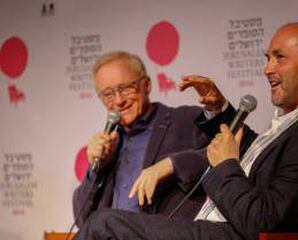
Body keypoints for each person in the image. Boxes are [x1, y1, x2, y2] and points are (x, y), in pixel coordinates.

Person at [74, 22, 298, 240]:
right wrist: (220, 109)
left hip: (228, 231)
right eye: (267, 58)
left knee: (105, 224)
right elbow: (253, 155)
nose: (267, 69)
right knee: (99, 223)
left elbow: (265, 223)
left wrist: (221, 164)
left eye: (279, 57)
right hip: (215, 226)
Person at [72, 51, 210, 227]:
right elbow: (81, 219)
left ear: (147, 84)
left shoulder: (186, 120)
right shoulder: (108, 145)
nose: (119, 100)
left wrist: (172, 164)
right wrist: (96, 168)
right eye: (108, 94)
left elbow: (232, 156)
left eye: (126, 88)